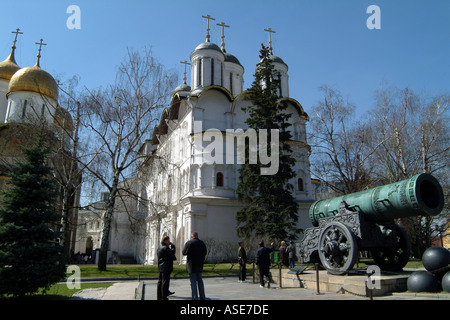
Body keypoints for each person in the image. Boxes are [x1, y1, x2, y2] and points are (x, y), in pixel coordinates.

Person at [182, 231, 207, 300]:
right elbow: (205, 252)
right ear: (197, 236)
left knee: (193, 282)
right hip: (199, 264)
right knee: (200, 281)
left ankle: (195, 297)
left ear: (192, 236)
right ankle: (202, 297)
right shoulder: (202, 243)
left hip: (191, 265)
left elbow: (184, 252)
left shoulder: (189, 243)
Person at [157, 235, 176, 300]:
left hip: (161, 267)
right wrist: (173, 246)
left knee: (160, 282)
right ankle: (164, 297)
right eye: (168, 241)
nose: (169, 242)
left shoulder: (159, 247)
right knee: (165, 283)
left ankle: (159, 296)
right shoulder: (165, 248)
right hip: (166, 267)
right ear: (165, 241)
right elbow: (172, 252)